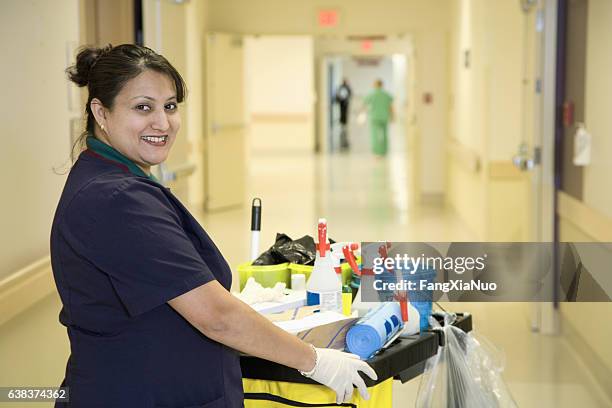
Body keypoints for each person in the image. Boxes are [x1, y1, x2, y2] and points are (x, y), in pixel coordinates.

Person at [51, 44, 376, 408]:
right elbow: (217, 317)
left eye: (170, 106)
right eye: (143, 107)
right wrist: (314, 361)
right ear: (102, 112)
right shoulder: (117, 199)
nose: (162, 122)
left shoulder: (111, 178)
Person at [364, 79, 394, 156]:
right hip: (384, 116)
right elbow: (391, 107)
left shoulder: (372, 94)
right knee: (385, 133)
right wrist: (393, 116)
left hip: (375, 117)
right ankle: (384, 150)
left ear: (375, 85)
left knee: (375, 134)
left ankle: (377, 151)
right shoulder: (386, 95)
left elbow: (365, 103)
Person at [335, 78, 352, 149]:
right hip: (343, 104)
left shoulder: (345, 88)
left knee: (344, 114)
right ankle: (343, 122)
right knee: (343, 114)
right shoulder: (342, 88)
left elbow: (349, 95)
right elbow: (338, 96)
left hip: (344, 104)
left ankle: (343, 122)